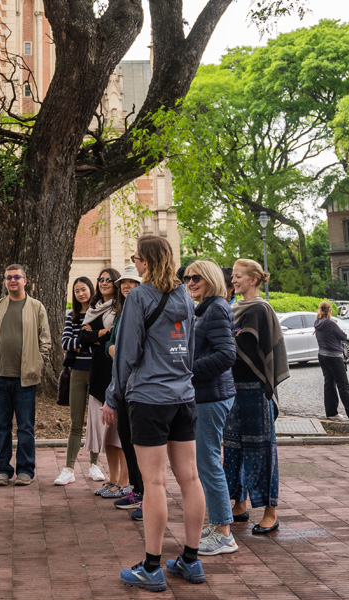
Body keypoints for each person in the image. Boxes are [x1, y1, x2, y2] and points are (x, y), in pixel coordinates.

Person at [104, 235, 206, 592]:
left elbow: (127, 354)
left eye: (135, 257)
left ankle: (151, 566)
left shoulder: (140, 298)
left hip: (149, 399)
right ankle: (191, 560)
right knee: (190, 478)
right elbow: (190, 351)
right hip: (183, 397)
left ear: (145, 261)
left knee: (155, 484)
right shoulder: (184, 297)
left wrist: (112, 396)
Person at [224, 258, 289, 535]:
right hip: (232, 389)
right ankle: (239, 504)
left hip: (254, 389)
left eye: (239, 276)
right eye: (233, 276)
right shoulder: (233, 307)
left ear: (253, 280)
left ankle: (270, 512)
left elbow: (245, 343)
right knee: (233, 449)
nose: (234, 280)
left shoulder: (260, 308)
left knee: (260, 451)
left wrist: (220, 339)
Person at [0, 264, 51, 486]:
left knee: (25, 427)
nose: (12, 281)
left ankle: (26, 470)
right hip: (0, 377)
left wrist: (38, 364)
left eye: (17, 277)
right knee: (1, 426)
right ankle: (3, 470)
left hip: (25, 378)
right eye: (9, 277)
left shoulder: (36, 307)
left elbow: (45, 340)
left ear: (25, 281)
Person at [184, 260, 238, 555]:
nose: (190, 282)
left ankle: (224, 533)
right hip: (207, 395)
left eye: (196, 278)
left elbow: (226, 355)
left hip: (212, 396)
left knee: (208, 463)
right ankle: (218, 524)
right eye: (187, 278)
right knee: (205, 462)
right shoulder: (204, 308)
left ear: (210, 279)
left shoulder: (215, 308)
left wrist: (187, 371)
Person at [80, 267, 128, 498]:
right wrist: (101, 334)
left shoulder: (122, 307)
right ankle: (112, 479)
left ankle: (124, 481)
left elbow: (116, 337)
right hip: (98, 371)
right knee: (107, 432)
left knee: (120, 432)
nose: (104, 282)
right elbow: (82, 337)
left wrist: (97, 334)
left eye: (109, 279)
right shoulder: (93, 307)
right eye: (101, 279)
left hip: (116, 372)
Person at [104, 265, 145, 519]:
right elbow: (112, 341)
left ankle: (144, 492)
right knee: (126, 435)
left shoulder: (141, 309)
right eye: (124, 283)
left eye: (132, 282)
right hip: (121, 382)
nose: (127, 287)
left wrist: (119, 351)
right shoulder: (121, 312)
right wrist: (111, 348)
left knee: (139, 441)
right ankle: (135, 488)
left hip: (138, 385)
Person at [55, 276, 103, 486]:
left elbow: (103, 341)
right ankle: (69, 468)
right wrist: (90, 339)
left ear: (91, 290)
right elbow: (65, 342)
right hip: (77, 372)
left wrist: (84, 341)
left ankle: (94, 464)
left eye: (84, 289)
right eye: (77, 291)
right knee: (76, 422)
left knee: (95, 421)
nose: (81, 294)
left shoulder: (100, 314)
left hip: (98, 372)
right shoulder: (71, 317)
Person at [315, 301, 349, 422]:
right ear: (329, 311)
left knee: (329, 384)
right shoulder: (330, 324)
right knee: (343, 385)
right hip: (334, 357)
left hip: (322, 355)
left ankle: (331, 412)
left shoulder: (317, 323)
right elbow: (343, 336)